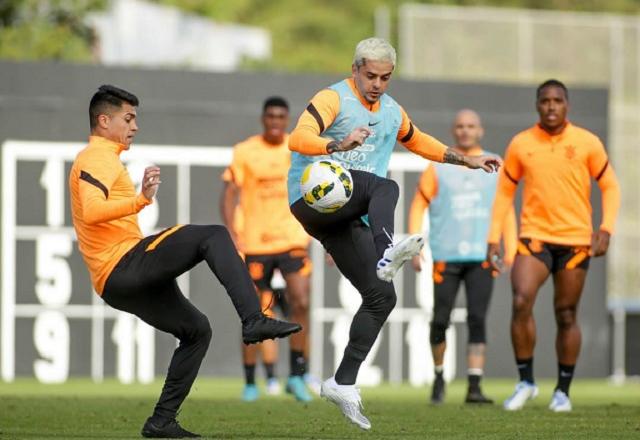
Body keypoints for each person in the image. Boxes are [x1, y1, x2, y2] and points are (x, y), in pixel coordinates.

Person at [287, 38, 501, 430]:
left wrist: (469, 160)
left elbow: (419, 141)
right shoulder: (332, 98)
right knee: (385, 188)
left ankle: (342, 381)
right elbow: (297, 139)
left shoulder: (390, 111)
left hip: (346, 215)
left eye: (385, 77)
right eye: (370, 76)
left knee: (382, 296)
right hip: (310, 197)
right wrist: (336, 143)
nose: (378, 84)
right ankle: (389, 250)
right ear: (355, 70)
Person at [69, 85, 301, 438]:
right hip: (123, 265)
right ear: (104, 121)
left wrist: (137, 200)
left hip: (116, 282)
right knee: (214, 236)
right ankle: (253, 319)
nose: (135, 126)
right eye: (128, 119)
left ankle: (161, 421)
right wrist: (140, 200)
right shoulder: (95, 157)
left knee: (197, 331)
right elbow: (91, 210)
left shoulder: (106, 158)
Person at [487, 79, 621, 412]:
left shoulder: (588, 142)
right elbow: (504, 192)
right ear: (537, 105)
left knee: (566, 313)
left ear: (567, 105)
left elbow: (611, 187)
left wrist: (606, 228)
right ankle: (526, 382)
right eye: (545, 100)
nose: (551, 106)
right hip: (534, 237)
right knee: (520, 300)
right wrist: (493, 238)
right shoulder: (521, 144)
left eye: (557, 100)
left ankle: (562, 391)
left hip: (576, 242)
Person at [408, 109, 518, 405]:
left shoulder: (496, 164)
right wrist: (415, 246)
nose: (465, 131)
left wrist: (512, 247)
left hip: (482, 255)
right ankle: (440, 376)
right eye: (460, 126)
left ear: (480, 130)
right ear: (453, 130)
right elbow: (419, 204)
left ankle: (474, 386)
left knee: (477, 319)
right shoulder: (439, 166)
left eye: (471, 126)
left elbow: (504, 209)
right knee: (440, 319)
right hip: (446, 255)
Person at [220, 96, 314, 403]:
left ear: (287, 120)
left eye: (280, 117)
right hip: (256, 243)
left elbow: (317, 191)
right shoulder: (245, 151)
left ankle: (298, 376)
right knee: (254, 313)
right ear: (263, 119)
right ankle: (250, 383)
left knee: (301, 301)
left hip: (291, 241)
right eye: (270, 116)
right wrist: (233, 235)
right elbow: (230, 194)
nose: (275, 122)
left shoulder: (298, 150)